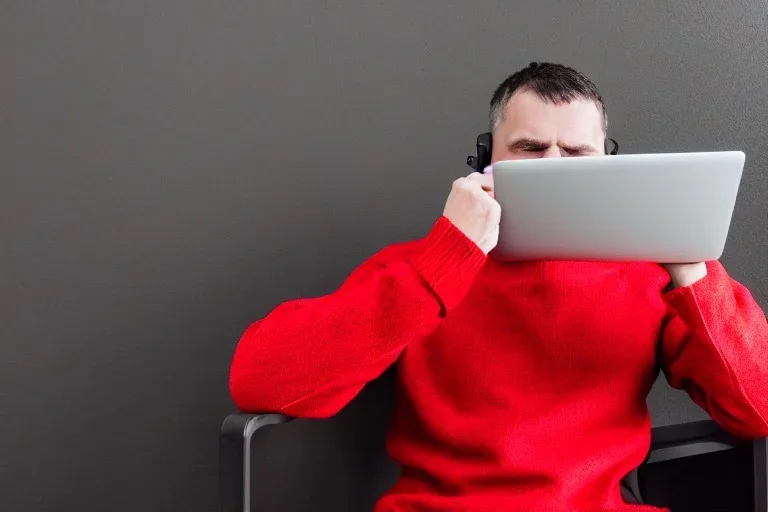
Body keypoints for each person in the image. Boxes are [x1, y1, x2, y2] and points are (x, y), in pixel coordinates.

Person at [229, 62, 768, 511]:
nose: (554, 169)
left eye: (576, 154)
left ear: (608, 163)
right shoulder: (418, 269)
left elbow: (759, 408)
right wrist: (441, 265)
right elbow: (260, 382)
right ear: (488, 160)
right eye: (531, 148)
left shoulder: (650, 278)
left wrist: (693, 272)